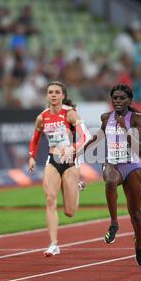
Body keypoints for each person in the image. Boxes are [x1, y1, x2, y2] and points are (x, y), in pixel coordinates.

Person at [84, 84, 141, 266]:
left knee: (135, 214)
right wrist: (79, 151)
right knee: (110, 182)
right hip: (113, 164)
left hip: (132, 167)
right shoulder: (106, 118)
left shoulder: (137, 120)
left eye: (122, 98)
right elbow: (97, 137)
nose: (118, 101)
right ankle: (114, 223)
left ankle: (139, 243)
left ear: (129, 100)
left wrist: (125, 129)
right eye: (115, 98)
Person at [28, 81, 90, 257]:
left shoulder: (70, 114)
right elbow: (35, 138)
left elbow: (87, 136)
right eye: (50, 92)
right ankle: (53, 244)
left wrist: (73, 147)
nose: (53, 95)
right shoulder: (42, 117)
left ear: (63, 95)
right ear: (47, 95)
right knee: (50, 199)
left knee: (69, 212)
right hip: (52, 160)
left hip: (70, 161)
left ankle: (77, 186)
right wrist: (31, 156)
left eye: (57, 92)